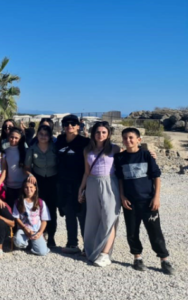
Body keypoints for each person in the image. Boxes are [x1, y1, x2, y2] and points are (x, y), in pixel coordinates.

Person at [115, 128, 173, 275]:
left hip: (148, 201)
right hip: (130, 202)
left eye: (131, 137)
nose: (128, 140)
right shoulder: (120, 158)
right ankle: (137, 258)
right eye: (125, 138)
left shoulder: (146, 155)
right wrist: (122, 197)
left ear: (139, 139)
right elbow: (120, 179)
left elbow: (156, 177)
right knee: (132, 231)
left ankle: (164, 259)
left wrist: (156, 197)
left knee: (155, 231)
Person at [78, 121, 121, 267]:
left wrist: (149, 153)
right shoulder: (87, 150)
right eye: (98, 132)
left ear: (108, 133)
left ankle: (105, 254)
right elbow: (86, 172)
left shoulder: (115, 149)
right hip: (92, 183)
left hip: (110, 183)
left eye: (103, 132)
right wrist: (81, 189)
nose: (100, 135)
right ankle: (93, 251)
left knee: (110, 218)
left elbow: (132, 153)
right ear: (93, 133)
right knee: (93, 219)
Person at [56, 114, 89, 255]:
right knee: (69, 214)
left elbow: (104, 147)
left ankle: (88, 245)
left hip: (79, 182)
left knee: (82, 215)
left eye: (73, 123)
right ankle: (72, 243)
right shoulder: (59, 140)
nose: (69, 126)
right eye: (66, 124)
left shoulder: (85, 142)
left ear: (78, 126)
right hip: (63, 184)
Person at [24, 125, 58, 247]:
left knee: (52, 210)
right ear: (37, 135)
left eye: (46, 134)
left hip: (53, 181)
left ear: (50, 136)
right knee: (37, 209)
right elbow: (26, 168)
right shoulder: (31, 150)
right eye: (41, 134)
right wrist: (30, 174)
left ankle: (51, 236)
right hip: (38, 182)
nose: (43, 137)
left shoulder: (55, 148)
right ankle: (38, 234)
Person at [12, 179, 50, 256]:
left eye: (31, 187)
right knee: (18, 242)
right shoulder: (18, 201)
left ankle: (34, 243)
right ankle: (28, 242)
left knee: (42, 252)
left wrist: (40, 232)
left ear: (35, 188)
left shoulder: (40, 202)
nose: (29, 189)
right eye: (26, 187)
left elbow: (44, 220)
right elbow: (16, 218)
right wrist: (24, 228)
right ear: (23, 189)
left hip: (36, 231)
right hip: (23, 230)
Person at [2, 128, 29, 207]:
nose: (13, 139)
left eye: (16, 138)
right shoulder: (5, 151)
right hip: (9, 186)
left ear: (20, 139)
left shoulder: (25, 151)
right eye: (11, 137)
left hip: (22, 186)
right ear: (8, 137)